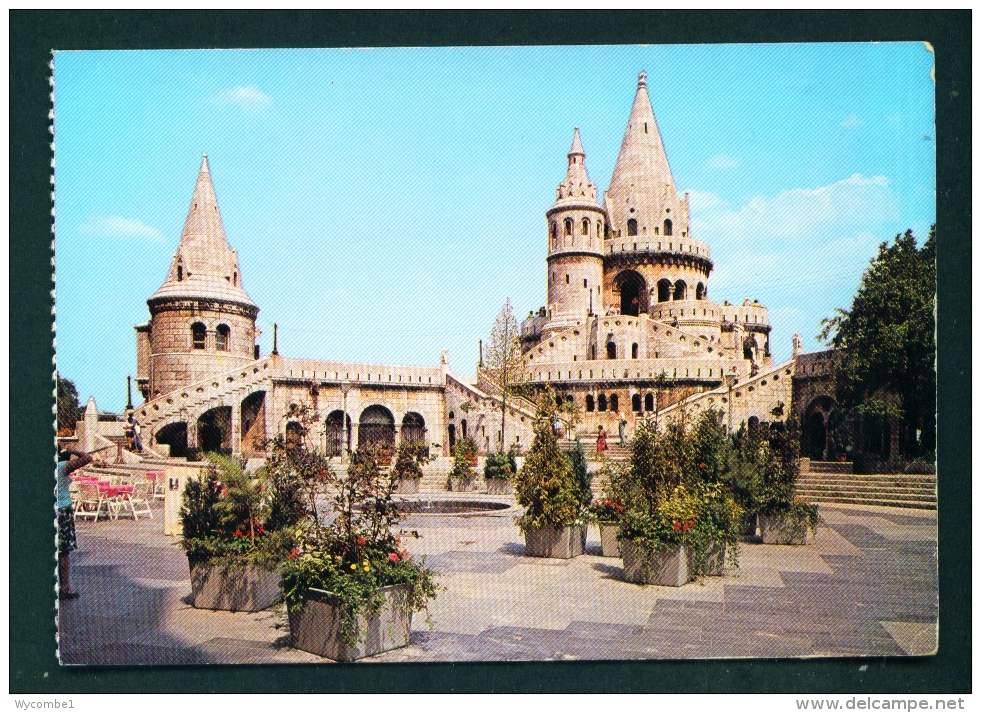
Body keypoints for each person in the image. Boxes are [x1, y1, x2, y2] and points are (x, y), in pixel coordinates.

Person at [57, 445, 93, 600]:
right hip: (62, 510)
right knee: (63, 551)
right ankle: (64, 587)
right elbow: (87, 458)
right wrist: (73, 450)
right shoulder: (62, 467)